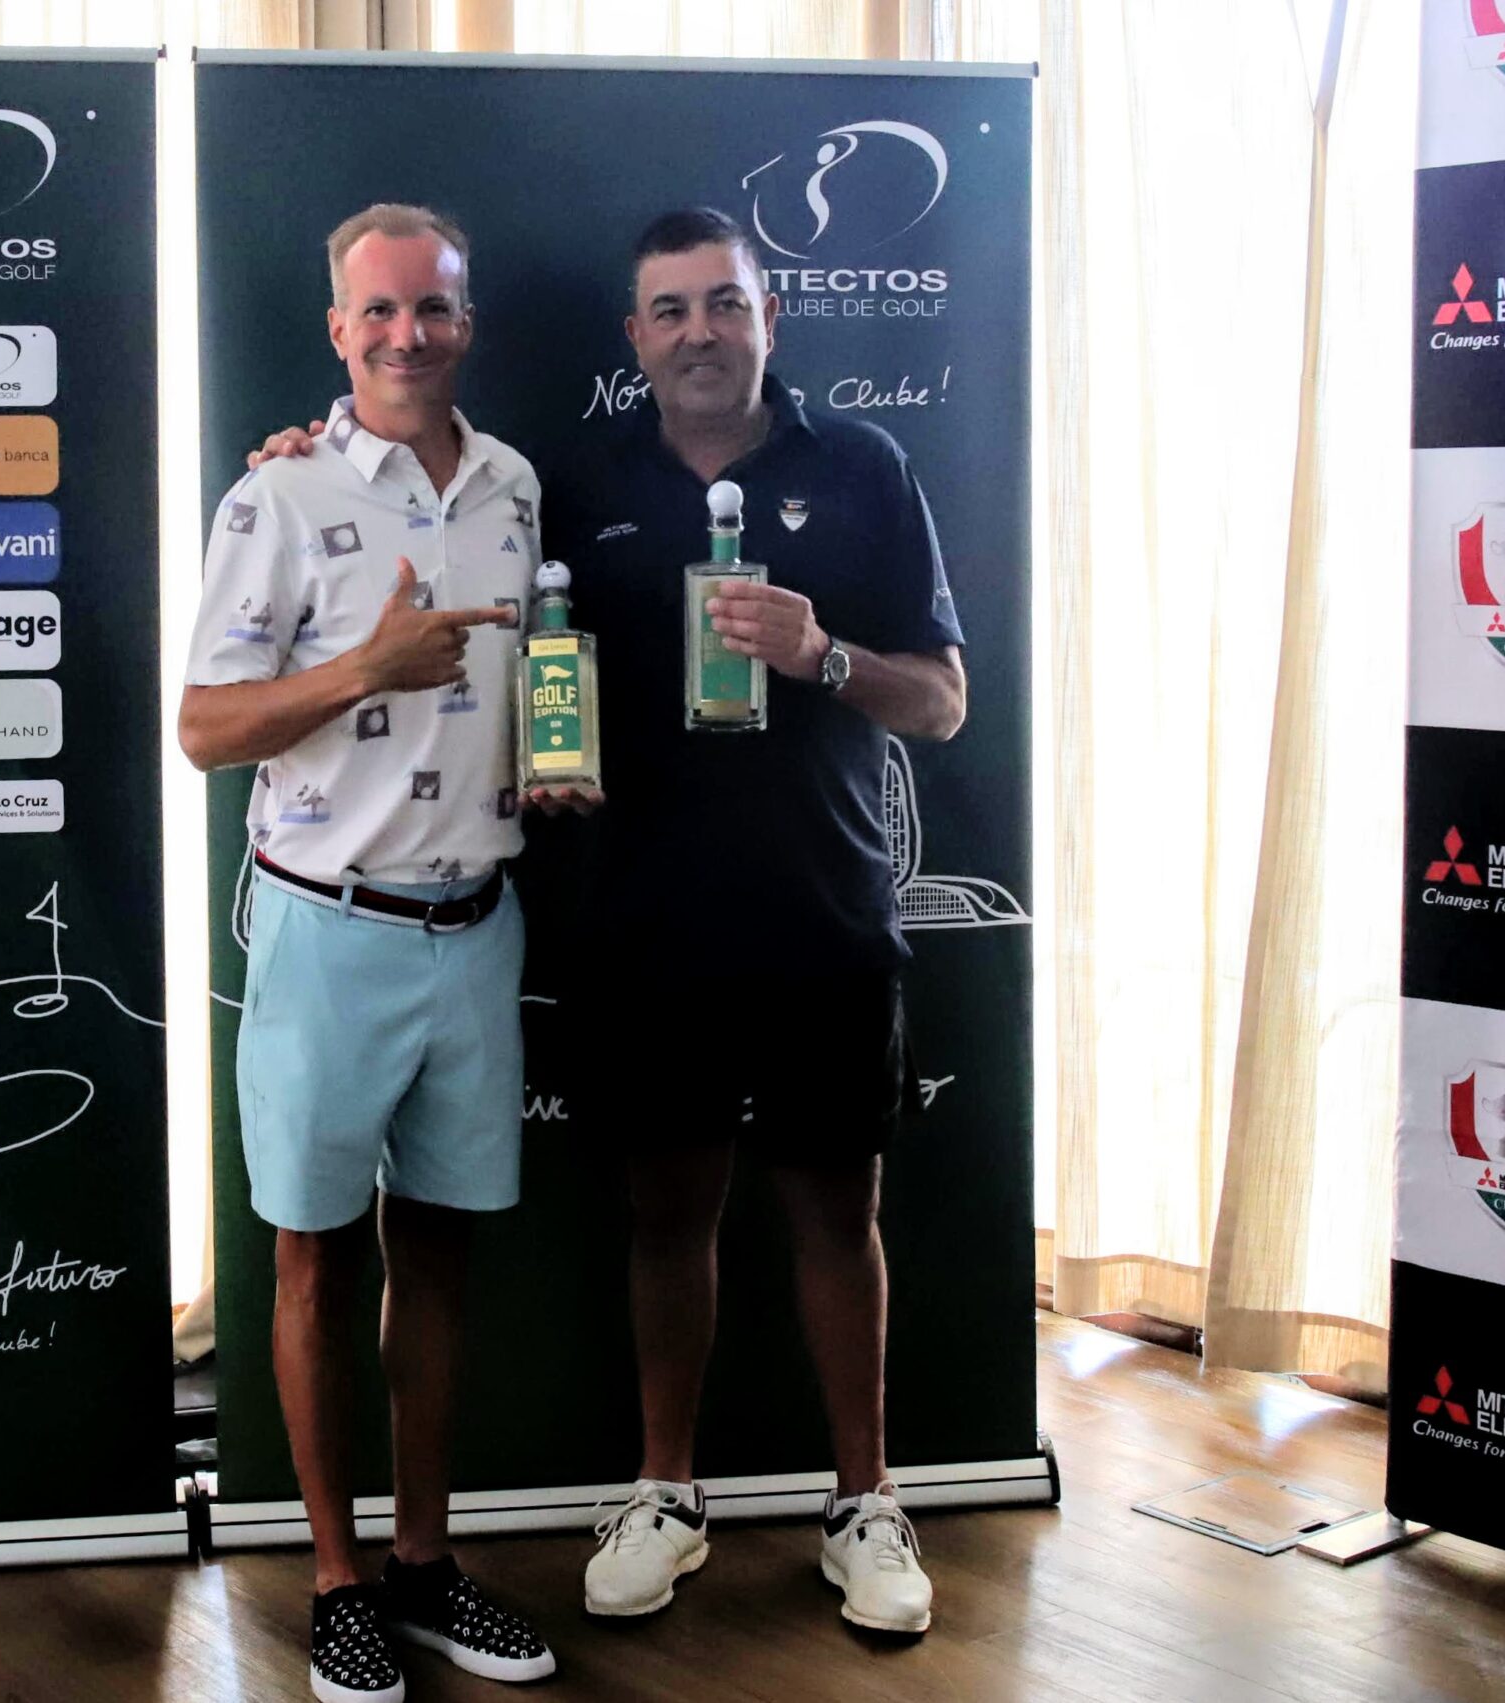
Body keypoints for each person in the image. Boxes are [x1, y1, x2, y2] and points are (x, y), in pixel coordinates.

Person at [248, 206, 966, 1639]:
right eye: (671, 311)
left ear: (768, 317)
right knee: (665, 1219)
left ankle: (867, 1502)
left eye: (724, 303)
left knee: (840, 1215)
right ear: (635, 337)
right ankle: (663, 1495)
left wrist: (822, 654)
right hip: (641, 916)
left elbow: (942, 703)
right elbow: (509, 642)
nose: (700, 332)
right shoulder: (565, 485)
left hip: (824, 912)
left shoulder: (865, 467)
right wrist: (303, 452)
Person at [180, 202, 559, 1703]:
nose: (410, 334)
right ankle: (336, 1580)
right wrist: (366, 669)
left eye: (435, 308)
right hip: (328, 932)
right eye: (381, 311)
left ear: (468, 322)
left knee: (442, 1259)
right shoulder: (273, 497)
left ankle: (421, 1560)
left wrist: (552, 760)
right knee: (314, 1263)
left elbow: (529, 680)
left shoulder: (516, 484)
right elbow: (205, 730)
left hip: (477, 927)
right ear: (338, 329)